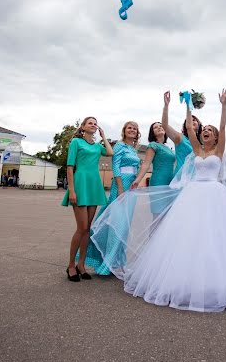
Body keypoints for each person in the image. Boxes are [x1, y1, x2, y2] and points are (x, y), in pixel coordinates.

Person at [91, 90, 226, 312]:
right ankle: (186, 277)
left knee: (215, 236)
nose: (206, 132)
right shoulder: (195, 149)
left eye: (209, 131)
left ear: (215, 137)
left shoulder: (219, 149)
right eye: (204, 130)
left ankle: (216, 278)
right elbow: (187, 129)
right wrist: (185, 107)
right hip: (193, 194)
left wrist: (223, 105)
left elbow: (223, 127)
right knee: (188, 236)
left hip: (214, 195)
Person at [84, 121, 141, 275]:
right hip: (121, 186)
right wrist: (120, 188)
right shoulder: (120, 146)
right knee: (118, 226)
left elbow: (136, 168)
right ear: (124, 130)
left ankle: (117, 262)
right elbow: (115, 166)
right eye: (129, 128)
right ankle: (106, 264)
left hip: (132, 188)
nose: (132, 130)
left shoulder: (133, 149)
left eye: (135, 129)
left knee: (124, 228)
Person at [61, 117, 113, 282]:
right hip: (80, 183)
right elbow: (70, 167)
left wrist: (103, 136)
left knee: (88, 228)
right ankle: (70, 265)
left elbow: (110, 153)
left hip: (94, 185)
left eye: (95, 123)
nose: (93, 125)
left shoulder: (98, 146)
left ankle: (81, 265)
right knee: (81, 228)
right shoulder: (76, 142)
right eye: (90, 122)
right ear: (83, 127)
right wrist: (71, 190)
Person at [131, 122, 176, 219]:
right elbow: (146, 164)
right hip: (158, 182)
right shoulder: (153, 145)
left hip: (170, 183)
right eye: (156, 127)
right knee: (158, 215)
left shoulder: (168, 147)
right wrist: (138, 180)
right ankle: (153, 235)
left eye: (161, 126)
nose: (159, 128)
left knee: (167, 215)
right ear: (153, 133)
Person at [161, 91, 202, 171]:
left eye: (195, 120)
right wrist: (166, 106)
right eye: (190, 120)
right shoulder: (180, 138)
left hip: (198, 177)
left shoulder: (202, 142)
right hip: (181, 177)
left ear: (199, 124)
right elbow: (165, 126)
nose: (192, 121)